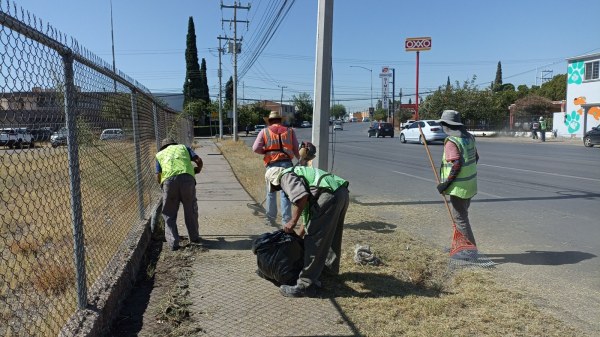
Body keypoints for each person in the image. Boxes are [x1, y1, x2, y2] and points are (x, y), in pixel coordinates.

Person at [265, 164, 349, 297]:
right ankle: (328, 270)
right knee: (331, 235)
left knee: (314, 241)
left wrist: (292, 222)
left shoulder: (285, 176)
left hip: (329, 196)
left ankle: (305, 285)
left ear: (274, 181)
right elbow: (306, 214)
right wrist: (298, 236)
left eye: (276, 187)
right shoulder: (299, 174)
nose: (279, 189)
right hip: (340, 193)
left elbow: (301, 197)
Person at [435, 110, 479, 249]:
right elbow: (475, 158)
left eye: (443, 124)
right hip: (470, 184)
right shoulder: (469, 138)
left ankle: (470, 250)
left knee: (460, 218)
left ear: (447, 125)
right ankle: (459, 246)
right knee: (461, 216)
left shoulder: (451, 141)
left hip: (458, 187)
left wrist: (446, 184)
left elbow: (456, 165)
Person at [252, 111, 300, 226]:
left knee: (271, 193)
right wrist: (301, 160)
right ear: (280, 120)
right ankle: (286, 221)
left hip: (272, 165)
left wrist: (266, 151)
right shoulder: (290, 131)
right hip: (287, 165)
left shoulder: (264, 131)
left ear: (269, 121)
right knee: (285, 194)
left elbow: (255, 148)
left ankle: (270, 219)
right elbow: (296, 149)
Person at [155, 138, 203, 251]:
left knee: (169, 213)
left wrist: (163, 186)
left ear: (163, 147)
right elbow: (198, 160)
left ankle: (173, 243)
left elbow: (158, 174)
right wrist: (198, 169)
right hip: (187, 180)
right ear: (174, 144)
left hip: (169, 182)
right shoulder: (183, 148)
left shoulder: (160, 154)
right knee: (190, 209)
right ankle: (194, 238)